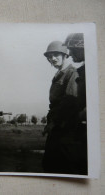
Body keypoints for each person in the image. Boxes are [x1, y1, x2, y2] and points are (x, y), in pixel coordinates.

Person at [42, 41, 80, 174]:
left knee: (62, 168)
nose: (52, 58)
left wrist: (55, 123)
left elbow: (69, 103)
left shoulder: (72, 73)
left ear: (65, 55)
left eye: (56, 55)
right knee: (49, 165)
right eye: (50, 56)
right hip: (55, 128)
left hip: (65, 130)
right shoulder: (59, 75)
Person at [64, 33, 87, 175]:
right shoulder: (83, 71)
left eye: (72, 48)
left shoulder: (93, 70)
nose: (70, 53)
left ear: (83, 48)